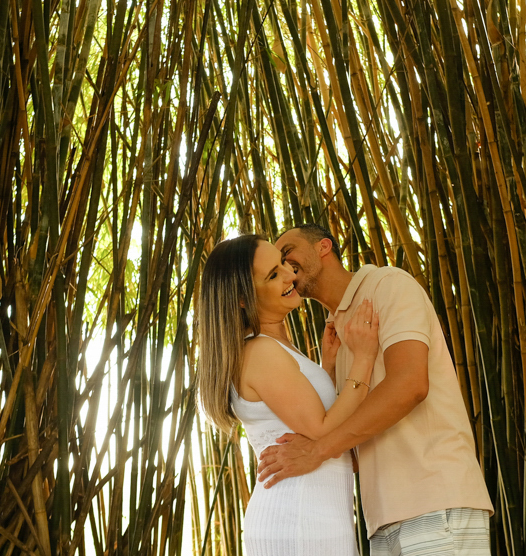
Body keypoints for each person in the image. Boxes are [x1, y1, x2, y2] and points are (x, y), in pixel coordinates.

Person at [259, 224, 495, 556]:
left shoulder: (387, 285)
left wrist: (318, 450)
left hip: (435, 502)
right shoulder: (334, 332)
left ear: (324, 247)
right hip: (381, 522)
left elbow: (410, 385)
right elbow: (352, 444)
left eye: (287, 254)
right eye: (276, 267)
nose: (284, 268)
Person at [195, 233, 382, 555]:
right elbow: (322, 429)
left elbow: (310, 426)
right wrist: (364, 359)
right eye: (273, 275)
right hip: (298, 521)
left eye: (283, 263)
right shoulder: (260, 351)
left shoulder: (273, 348)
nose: (290, 274)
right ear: (242, 299)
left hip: (313, 517)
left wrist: (328, 370)